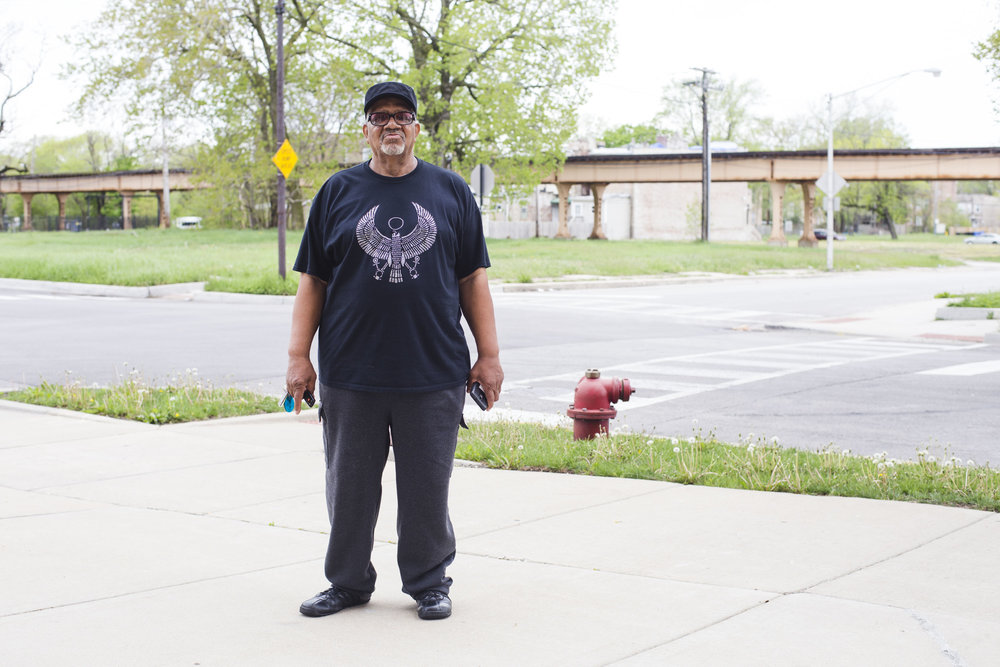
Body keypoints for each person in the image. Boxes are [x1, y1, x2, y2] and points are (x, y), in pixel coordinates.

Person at [285, 81, 503, 621]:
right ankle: (348, 583)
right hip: (350, 370)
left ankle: (429, 582)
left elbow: (473, 278)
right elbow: (312, 281)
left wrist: (489, 355)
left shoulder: (450, 192)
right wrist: (298, 356)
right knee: (350, 487)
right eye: (379, 116)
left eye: (402, 116)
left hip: (433, 370)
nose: (391, 125)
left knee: (427, 487)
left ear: (416, 128)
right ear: (366, 129)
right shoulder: (337, 192)